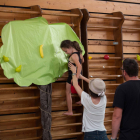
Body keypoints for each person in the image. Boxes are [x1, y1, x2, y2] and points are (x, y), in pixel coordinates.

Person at [69, 62, 109, 140]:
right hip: (103, 134)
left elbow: (75, 84)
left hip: (90, 135)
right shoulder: (104, 98)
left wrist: (74, 72)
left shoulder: (86, 99)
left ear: (90, 90)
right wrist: (82, 77)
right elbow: (96, 87)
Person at [111, 58, 140, 140]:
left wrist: (113, 138)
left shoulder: (122, 89)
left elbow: (117, 116)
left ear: (125, 72)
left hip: (128, 135)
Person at [60, 40, 84, 115]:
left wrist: (75, 78)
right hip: (78, 74)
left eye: (66, 51)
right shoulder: (79, 53)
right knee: (78, 88)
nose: (66, 53)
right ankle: (82, 100)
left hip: (73, 75)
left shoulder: (73, 55)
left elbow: (79, 66)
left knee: (68, 92)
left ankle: (70, 111)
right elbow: (82, 61)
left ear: (70, 47)